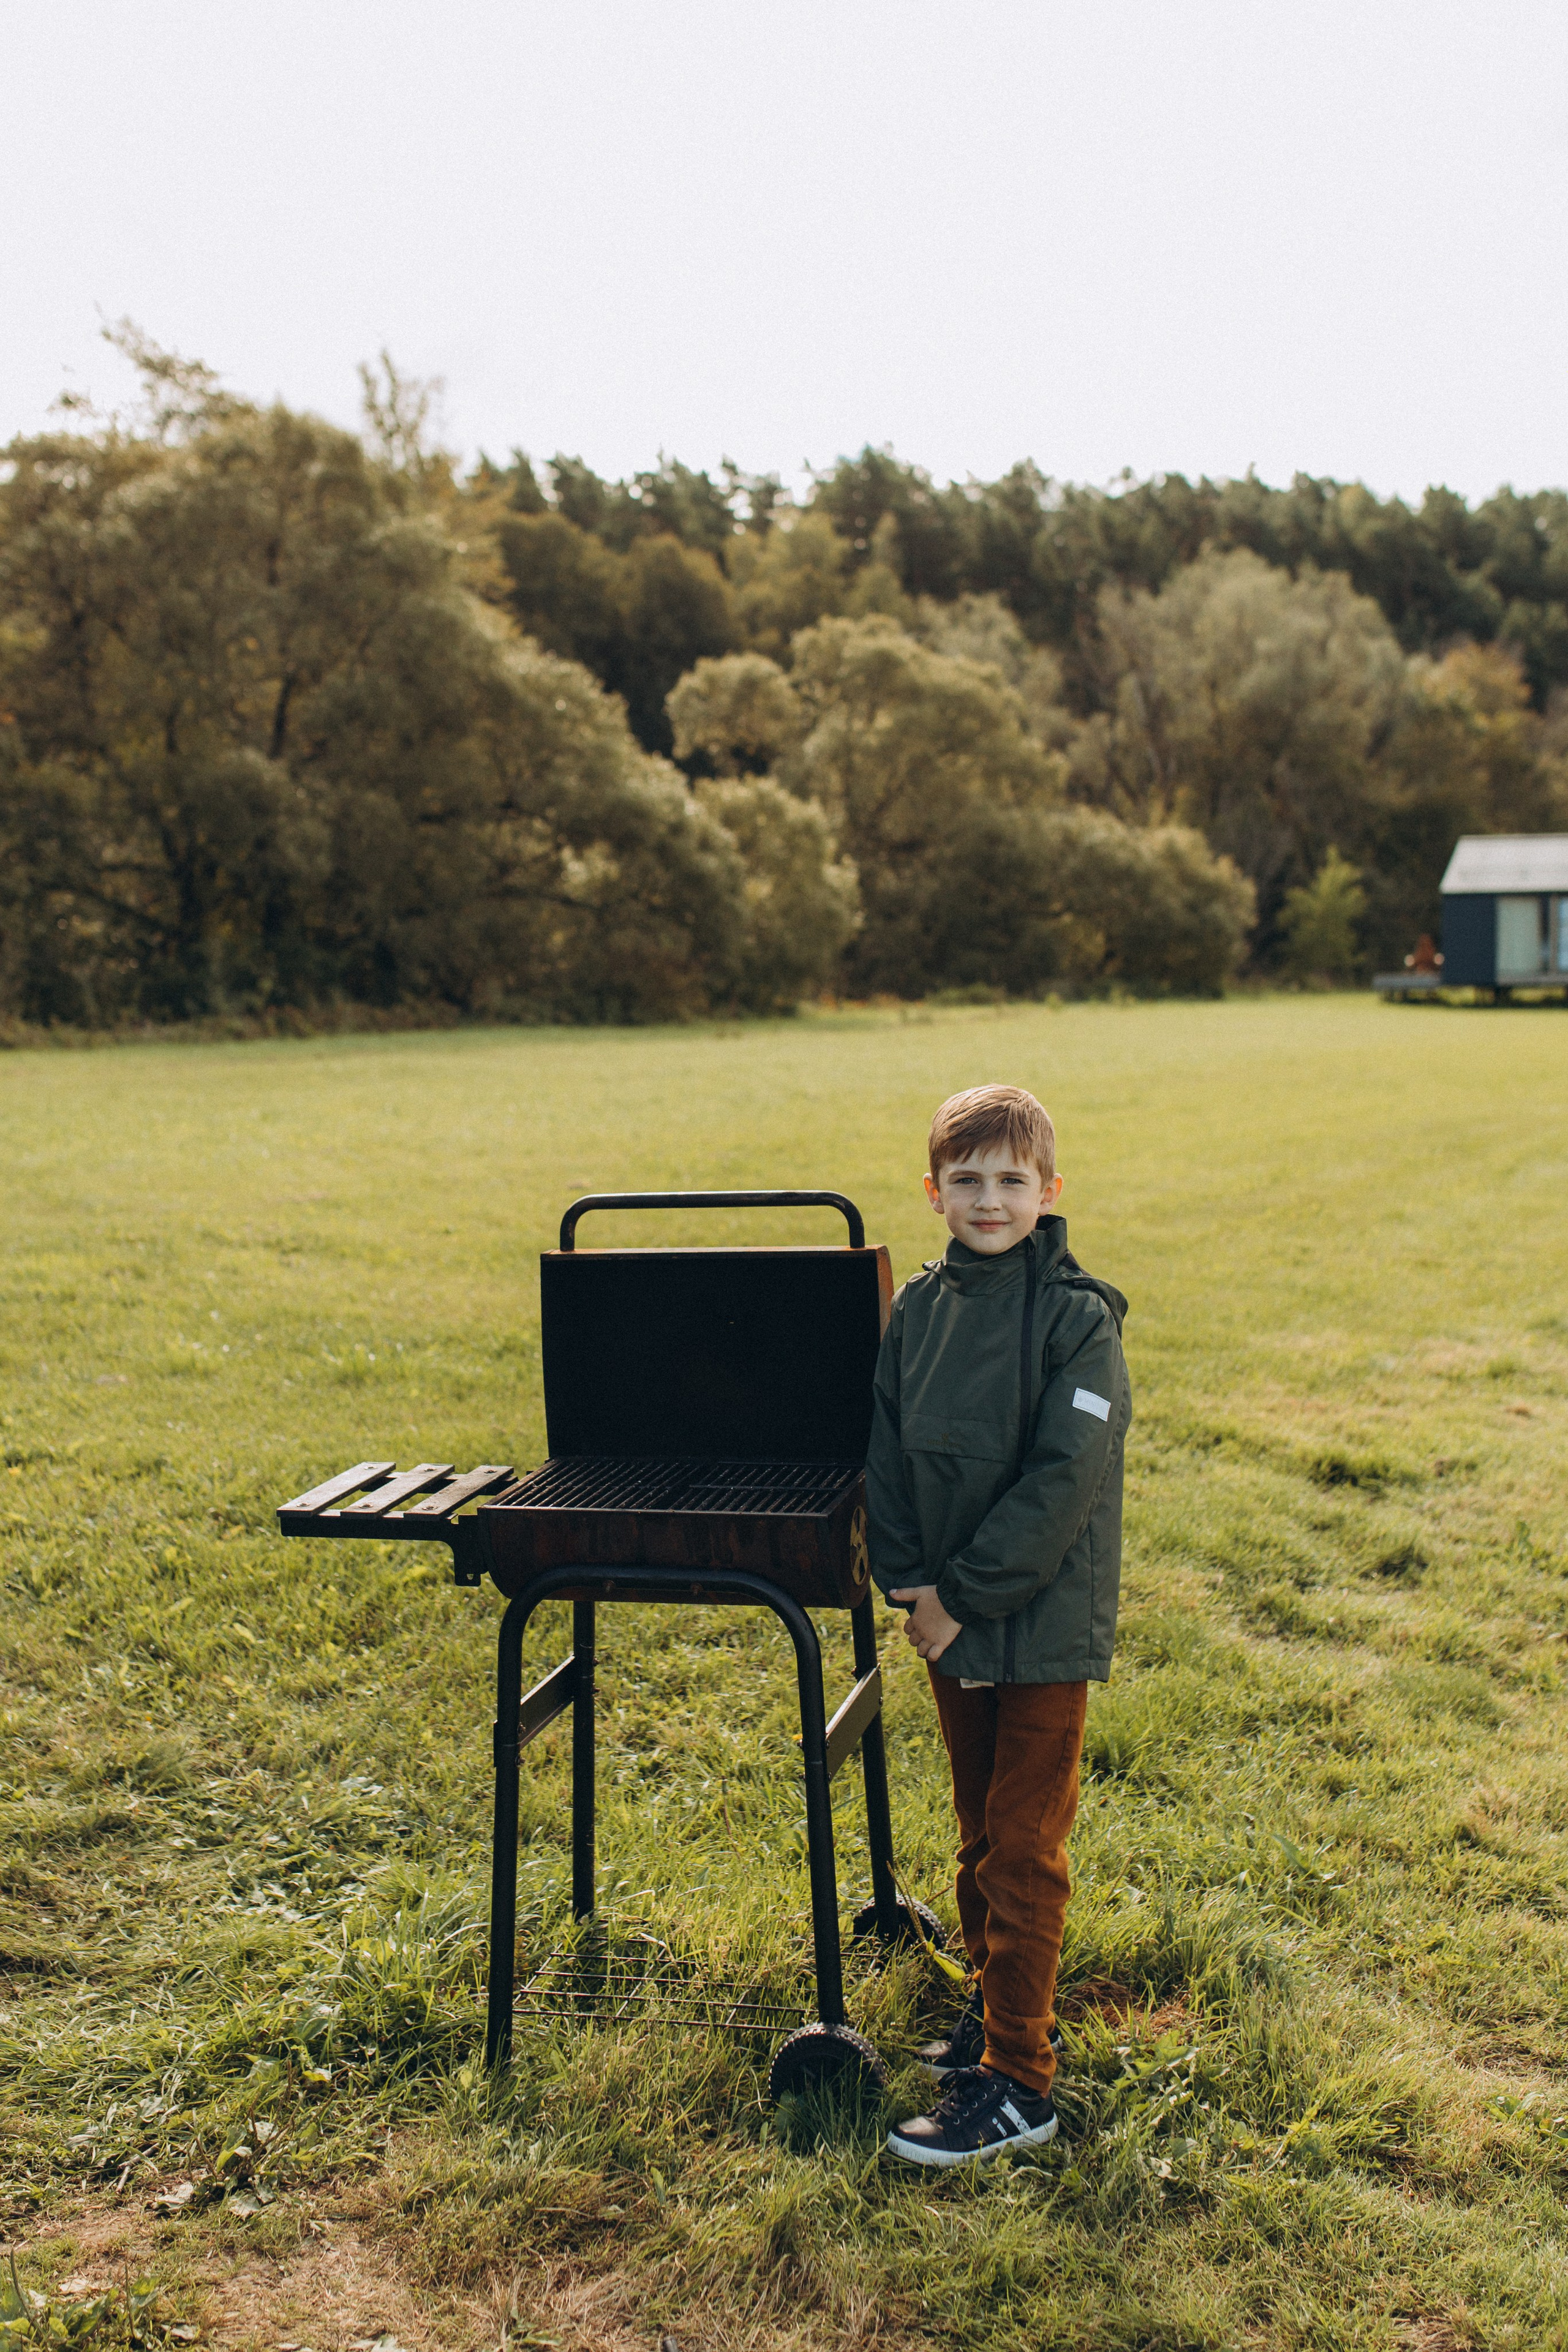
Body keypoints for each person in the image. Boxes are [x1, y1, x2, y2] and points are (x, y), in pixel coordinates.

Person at [866, 1082, 1131, 2166]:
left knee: (1026, 1848)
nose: (989, 1198)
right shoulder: (918, 1312)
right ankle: (995, 2016)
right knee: (979, 1835)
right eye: (967, 1180)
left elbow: (1063, 1484)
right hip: (948, 1621)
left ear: (1049, 1191)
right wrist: (908, 1585)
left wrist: (959, 1594)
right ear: (934, 1193)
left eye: (1010, 1180)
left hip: (1037, 1627)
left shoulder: (1080, 1321)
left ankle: (1022, 2082)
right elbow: (886, 1447)